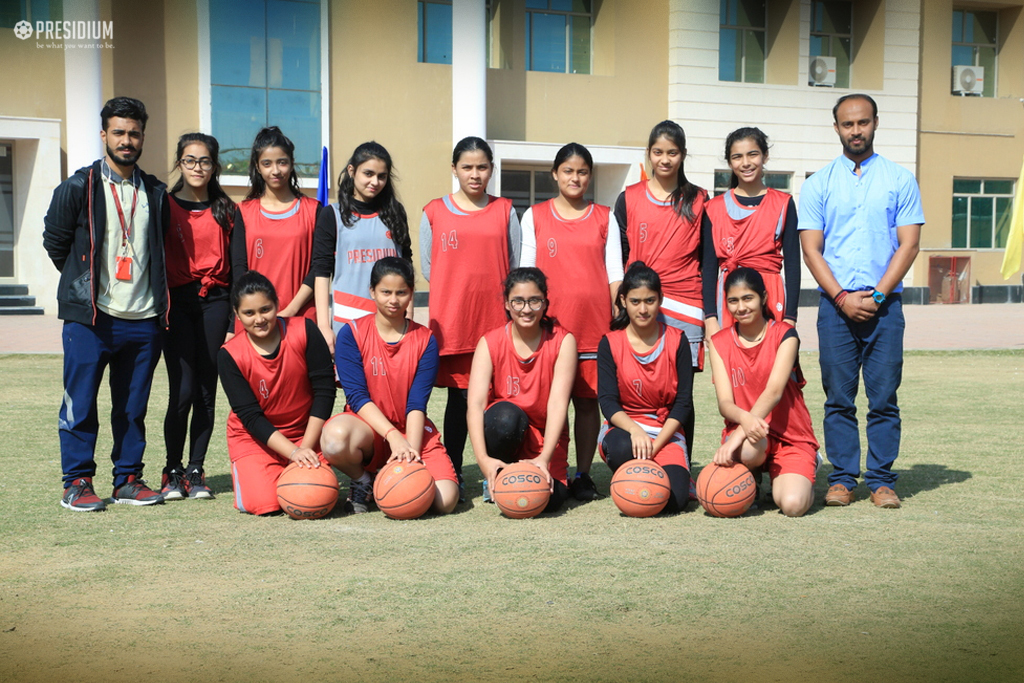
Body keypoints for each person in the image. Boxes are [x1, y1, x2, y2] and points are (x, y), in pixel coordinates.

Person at [798, 94, 924, 509]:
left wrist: (878, 294)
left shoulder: (900, 179)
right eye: (848, 124)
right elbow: (811, 249)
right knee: (838, 398)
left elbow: (909, 244)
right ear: (836, 128)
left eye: (863, 122)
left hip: (885, 308)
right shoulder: (818, 184)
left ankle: (882, 481)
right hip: (835, 309)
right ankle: (842, 479)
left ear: (875, 123)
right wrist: (841, 297)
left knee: (884, 398)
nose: (856, 131)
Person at [43, 96, 169, 510]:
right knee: (80, 403)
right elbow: (56, 241)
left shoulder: (155, 192)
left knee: (132, 408)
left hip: (143, 318)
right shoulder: (78, 186)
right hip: (91, 319)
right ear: (104, 135)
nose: (126, 140)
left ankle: (127, 479)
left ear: (143, 137)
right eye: (118, 132)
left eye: (134, 133)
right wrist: (83, 284)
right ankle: (77, 482)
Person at [420, 136, 522, 499]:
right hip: (454, 324)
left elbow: (515, 266)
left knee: (496, 400)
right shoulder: (434, 211)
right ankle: (454, 470)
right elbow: (430, 268)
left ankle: (497, 473)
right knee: (459, 400)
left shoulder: (506, 210)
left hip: (495, 324)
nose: (475, 174)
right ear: (454, 169)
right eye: (467, 167)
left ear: (491, 169)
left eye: (482, 167)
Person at [520, 142, 622, 501]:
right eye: (568, 171)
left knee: (587, 403)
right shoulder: (534, 216)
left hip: (594, 327)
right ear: (555, 174)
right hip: (550, 330)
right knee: (552, 404)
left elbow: (615, 272)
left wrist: (617, 318)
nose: (575, 178)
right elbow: (526, 274)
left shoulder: (605, 216)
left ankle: (582, 474)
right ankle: (552, 468)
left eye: (582, 172)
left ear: (590, 176)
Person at [320, 258, 458, 515]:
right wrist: (393, 437)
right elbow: (357, 397)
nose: (393, 300)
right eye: (386, 292)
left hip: (411, 429)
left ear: (411, 293)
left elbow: (417, 403)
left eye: (401, 292)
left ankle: (388, 477)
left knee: (446, 501)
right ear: (372, 291)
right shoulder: (351, 334)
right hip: (368, 431)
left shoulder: (426, 339)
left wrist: (410, 455)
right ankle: (363, 480)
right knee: (334, 439)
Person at [217, 271, 336, 515]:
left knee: (316, 497)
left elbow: (325, 392)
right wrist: (293, 453)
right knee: (265, 504)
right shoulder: (229, 354)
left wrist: (304, 449)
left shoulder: (305, 330)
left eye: (265, 309)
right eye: (249, 313)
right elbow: (250, 417)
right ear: (237, 314)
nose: (259, 319)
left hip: (306, 433)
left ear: (277, 305)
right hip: (256, 438)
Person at [707, 268, 819, 517]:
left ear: (764, 297)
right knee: (749, 447)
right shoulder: (718, 342)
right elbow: (725, 403)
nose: (741, 307)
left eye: (748, 298)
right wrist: (745, 422)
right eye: (733, 301)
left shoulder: (785, 335)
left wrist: (735, 437)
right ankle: (752, 478)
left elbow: (774, 392)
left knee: (792, 506)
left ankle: (806, 467)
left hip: (790, 436)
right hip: (752, 438)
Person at [159, 132, 235, 501]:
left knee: (207, 389)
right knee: (183, 389)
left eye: (204, 161)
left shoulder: (226, 209)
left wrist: (235, 320)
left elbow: (238, 265)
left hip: (215, 301)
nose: (197, 167)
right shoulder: (164, 205)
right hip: (176, 302)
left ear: (214, 166)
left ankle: (195, 469)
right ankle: (172, 469)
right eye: (190, 160)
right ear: (179, 163)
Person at [466, 268, 576, 513]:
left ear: (545, 302)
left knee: (548, 501)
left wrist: (544, 458)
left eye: (534, 301)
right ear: (507, 304)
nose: (526, 309)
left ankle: (540, 472)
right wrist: (483, 460)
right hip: (509, 429)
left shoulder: (563, 341)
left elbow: (558, 404)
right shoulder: (490, 342)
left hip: (545, 440)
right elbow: (475, 405)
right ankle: (497, 475)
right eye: (518, 301)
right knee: (505, 417)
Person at [597, 262, 693, 514]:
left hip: (665, 432)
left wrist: (656, 444)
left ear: (660, 299)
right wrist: (635, 430)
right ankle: (629, 479)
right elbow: (607, 402)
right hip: (626, 430)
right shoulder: (610, 343)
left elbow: (683, 403)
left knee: (673, 501)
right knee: (621, 448)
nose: (643, 309)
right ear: (623, 301)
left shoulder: (678, 340)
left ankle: (675, 474)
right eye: (635, 301)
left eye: (650, 301)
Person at [614, 120, 707, 371]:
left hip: (686, 305)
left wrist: (710, 314)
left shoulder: (700, 199)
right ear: (648, 153)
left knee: (681, 387)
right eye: (658, 152)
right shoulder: (628, 198)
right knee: (640, 381)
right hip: (641, 303)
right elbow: (619, 257)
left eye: (672, 153)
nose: (664, 160)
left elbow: (708, 261)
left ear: (683, 154)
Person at [312, 141, 412, 352]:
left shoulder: (396, 213)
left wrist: (409, 317)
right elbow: (321, 271)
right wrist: (323, 325)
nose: (375, 182)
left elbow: (407, 266)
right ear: (352, 171)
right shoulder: (331, 215)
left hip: (392, 320)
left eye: (382, 176)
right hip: (348, 322)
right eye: (368, 174)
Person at [702, 127, 800, 338]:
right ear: (730, 162)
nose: (745, 163)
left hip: (771, 295)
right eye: (737, 157)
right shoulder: (714, 208)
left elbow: (793, 264)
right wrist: (710, 318)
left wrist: (791, 317)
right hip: (728, 297)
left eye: (752, 154)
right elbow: (708, 268)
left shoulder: (783, 203)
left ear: (765, 156)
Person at [231, 127, 321, 327]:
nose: (276, 170)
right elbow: (239, 270)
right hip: (255, 321)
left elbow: (319, 267)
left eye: (282, 162)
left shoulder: (314, 210)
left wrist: (290, 310)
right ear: (257, 167)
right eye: (267, 163)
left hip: (300, 318)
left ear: (292, 163)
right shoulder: (244, 212)